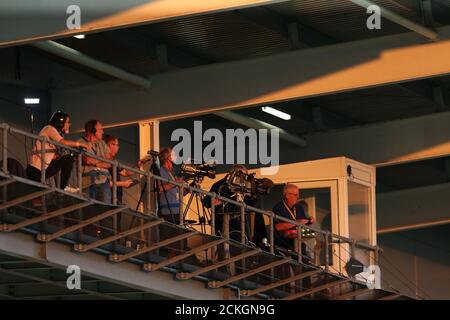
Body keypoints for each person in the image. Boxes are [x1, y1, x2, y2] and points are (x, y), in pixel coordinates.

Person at [26, 111, 89, 190]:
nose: (70, 124)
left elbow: (53, 157)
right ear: (61, 122)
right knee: (68, 159)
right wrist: (79, 144)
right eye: (68, 122)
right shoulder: (49, 128)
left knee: (68, 158)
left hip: (42, 169)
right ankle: (63, 187)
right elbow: (62, 142)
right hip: (35, 170)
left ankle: (62, 186)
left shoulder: (53, 134)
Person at [273, 183, 315, 254]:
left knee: (313, 233)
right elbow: (278, 227)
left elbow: (303, 224)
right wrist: (296, 223)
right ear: (287, 195)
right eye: (295, 195)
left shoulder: (299, 207)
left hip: (299, 245)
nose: (298, 197)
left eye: (298, 195)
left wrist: (309, 221)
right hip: (284, 246)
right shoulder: (278, 207)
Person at [78, 120, 112, 203]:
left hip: (103, 180)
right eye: (100, 129)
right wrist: (102, 159)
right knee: (89, 209)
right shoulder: (80, 143)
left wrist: (95, 163)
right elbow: (87, 160)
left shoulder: (102, 143)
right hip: (88, 181)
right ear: (93, 130)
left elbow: (110, 161)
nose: (103, 132)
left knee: (105, 209)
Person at [103, 134, 142, 205]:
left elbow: (126, 173)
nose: (118, 147)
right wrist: (123, 183)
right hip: (108, 197)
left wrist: (137, 166)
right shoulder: (103, 162)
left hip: (117, 196)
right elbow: (104, 183)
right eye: (117, 145)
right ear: (110, 145)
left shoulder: (114, 161)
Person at [157, 147, 185, 223]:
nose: (176, 157)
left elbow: (176, 191)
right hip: (167, 212)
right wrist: (175, 183)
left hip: (178, 211)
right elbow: (158, 189)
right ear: (168, 157)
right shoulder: (161, 171)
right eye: (174, 155)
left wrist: (188, 187)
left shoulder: (172, 173)